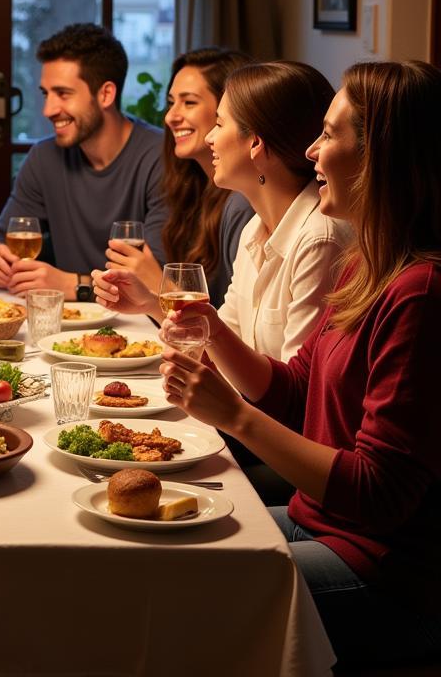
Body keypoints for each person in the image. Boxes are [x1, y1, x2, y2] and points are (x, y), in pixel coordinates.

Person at [158, 61, 441, 668]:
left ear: (380, 158)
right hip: (317, 521)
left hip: (381, 567)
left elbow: (379, 493)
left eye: (331, 135)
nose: (312, 151)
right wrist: (210, 328)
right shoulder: (366, 266)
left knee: (177, 595)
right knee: (155, 550)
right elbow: (292, 390)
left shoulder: (419, 292)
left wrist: (233, 414)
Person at [95, 61, 349, 361]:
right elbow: (220, 345)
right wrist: (150, 304)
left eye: (219, 124)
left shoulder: (319, 241)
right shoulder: (254, 230)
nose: (209, 138)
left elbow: (297, 391)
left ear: (255, 142)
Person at [0, 22, 168, 304]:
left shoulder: (161, 158)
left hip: (141, 333)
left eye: (63, 94)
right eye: (46, 94)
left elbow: (156, 280)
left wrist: (74, 285)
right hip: (62, 328)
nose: (48, 110)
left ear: (105, 94)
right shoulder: (44, 158)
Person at [106, 47, 254, 309]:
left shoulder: (244, 203)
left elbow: (235, 330)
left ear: (228, 109)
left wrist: (159, 283)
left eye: (189, 102)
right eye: (171, 102)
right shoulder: (191, 187)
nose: (170, 117)